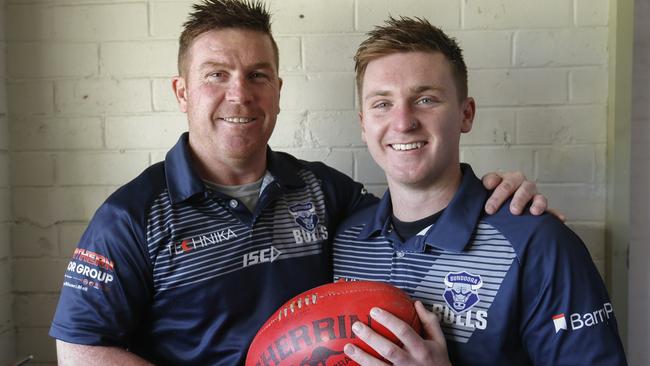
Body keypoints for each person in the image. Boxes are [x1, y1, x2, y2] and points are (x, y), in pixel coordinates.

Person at [49, 1, 548, 365]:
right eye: (216, 74)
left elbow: (415, 214)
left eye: (258, 75)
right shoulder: (131, 215)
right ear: (182, 92)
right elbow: (78, 348)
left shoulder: (322, 190)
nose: (239, 94)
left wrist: (499, 201)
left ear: (279, 91)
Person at [333, 16, 627, 365]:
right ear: (364, 125)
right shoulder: (346, 241)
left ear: (466, 114)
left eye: (425, 99)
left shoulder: (538, 243)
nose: (403, 122)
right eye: (382, 104)